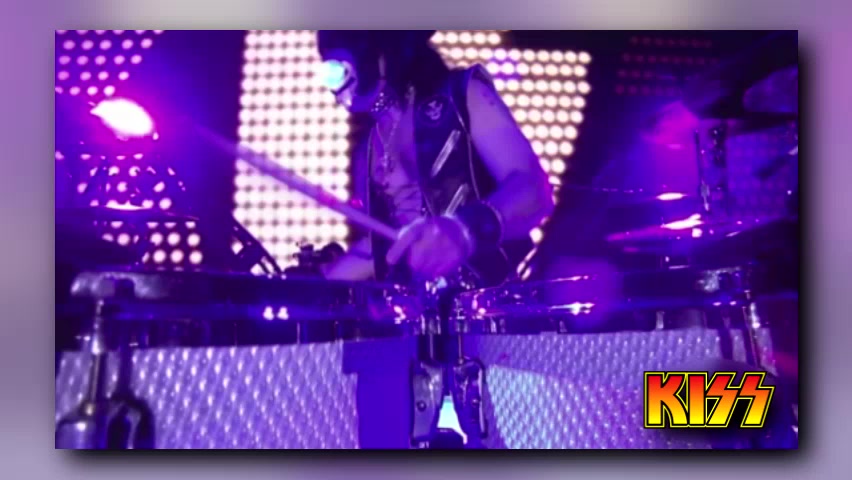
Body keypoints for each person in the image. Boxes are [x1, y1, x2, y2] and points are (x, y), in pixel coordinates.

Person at [315, 31, 554, 287]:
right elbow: (383, 248)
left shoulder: (461, 95)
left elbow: (533, 190)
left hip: (489, 301)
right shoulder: (368, 149)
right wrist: (317, 285)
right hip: (414, 307)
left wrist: (464, 230)